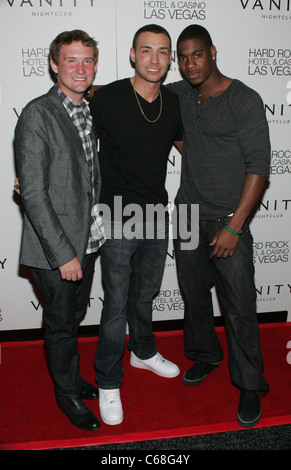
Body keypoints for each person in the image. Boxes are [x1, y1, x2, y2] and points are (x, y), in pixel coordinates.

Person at [167, 25, 270, 428]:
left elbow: (259, 167)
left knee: (239, 305)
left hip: (229, 219)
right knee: (193, 293)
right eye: (182, 56)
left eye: (196, 54)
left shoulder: (244, 99)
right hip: (190, 214)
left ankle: (250, 384)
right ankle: (206, 355)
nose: (189, 63)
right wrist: (89, 84)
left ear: (212, 52)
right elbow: (139, 91)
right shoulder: (178, 95)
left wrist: (235, 228)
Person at [89, 24, 183, 426]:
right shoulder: (106, 97)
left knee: (145, 292)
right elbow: (71, 137)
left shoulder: (175, 102)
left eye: (163, 52)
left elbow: (190, 147)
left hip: (156, 214)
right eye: (147, 51)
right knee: (114, 304)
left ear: (170, 59)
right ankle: (109, 381)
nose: (155, 60)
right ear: (132, 54)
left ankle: (143, 350)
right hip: (116, 216)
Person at [14, 30, 105, 431]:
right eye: (71, 60)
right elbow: (32, 194)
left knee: (75, 314)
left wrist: (83, 246)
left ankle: (70, 377)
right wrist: (64, 253)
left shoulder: (87, 109)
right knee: (62, 322)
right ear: (54, 64)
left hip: (88, 239)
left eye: (87, 60)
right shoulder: (39, 114)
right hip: (56, 250)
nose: (80, 68)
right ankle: (66, 394)